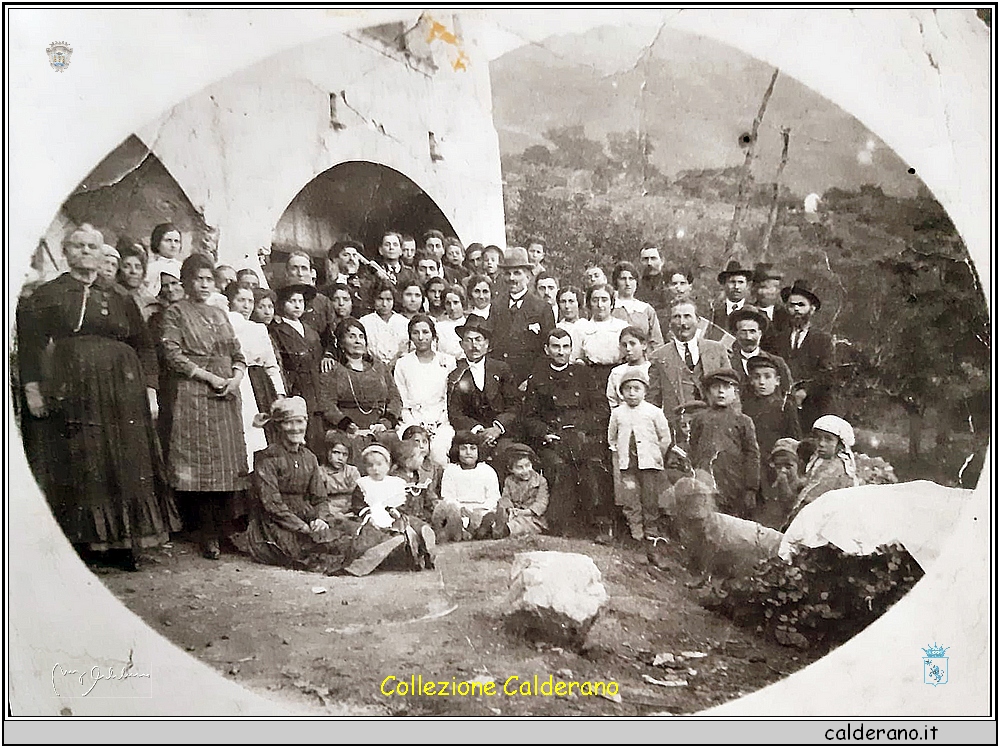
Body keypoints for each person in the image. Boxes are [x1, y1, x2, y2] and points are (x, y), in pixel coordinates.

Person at [17, 224, 179, 571]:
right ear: (66, 252)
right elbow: (30, 347)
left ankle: (125, 543)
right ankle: (86, 545)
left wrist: (150, 390)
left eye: (93, 246)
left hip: (124, 393)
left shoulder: (120, 296)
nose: (86, 251)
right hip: (75, 390)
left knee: (126, 462)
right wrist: (33, 389)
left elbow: (144, 344)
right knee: (86, 461)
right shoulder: (48, 295)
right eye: (79, 246)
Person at [161, 252, 250, 559]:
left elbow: (238, 354)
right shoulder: (175, 312)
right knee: (201, 463)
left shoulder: (221, 314)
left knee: (226, 461)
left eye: (209, 279)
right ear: (185, 282)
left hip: (227, 392)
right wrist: (209, 376)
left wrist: (236, 378)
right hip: (195, 390)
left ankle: (226, 531)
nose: (203, 284)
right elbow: (172, 354)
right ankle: (205, 533)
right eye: (197, 279)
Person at [246, 396, 355, 574]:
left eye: (299, 421)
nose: (295, 428)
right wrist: (302, 526)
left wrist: (320, 519)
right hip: (276, 522)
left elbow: (319, 498)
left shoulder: (309, 457)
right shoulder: (267, 457)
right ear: (278, 426)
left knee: (348, 535)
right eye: (288, 423)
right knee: (304, 549)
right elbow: (272, 505)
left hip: (307, 515)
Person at [522, 328, 612, 538]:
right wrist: (544, 433)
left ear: (571, 349)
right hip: (553, 438)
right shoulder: (538, 379)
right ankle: (559, 523)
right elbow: (528, 417)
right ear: (547, 349)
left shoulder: (584, 374)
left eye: (565, 347)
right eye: (555, 347)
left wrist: (582, 427)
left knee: (592, 465)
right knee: (559, 467)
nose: (561, 352)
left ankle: (597, 523)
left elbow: (601, 408)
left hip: (582, 435)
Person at [318, 318, 402, 461]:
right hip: (347, 430)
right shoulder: (334, 369)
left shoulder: (379, 367)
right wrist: (346, 424)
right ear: (341, 342)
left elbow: (395, 398)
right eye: (352, 336)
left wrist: (385, 423)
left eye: (361, 336)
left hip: (379, 428)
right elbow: (326, 403)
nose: (358, 341)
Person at [607, 366, 672, 550]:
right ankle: (636, 531)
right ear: (621, 392)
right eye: (627, 389)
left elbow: (665, 437)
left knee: (650, 497)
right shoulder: (618, 413)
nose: (632, 393)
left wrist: (657, 454)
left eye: (637, 389)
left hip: (649, 463)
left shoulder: (653, 412)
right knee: (630, 497)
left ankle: (651, 530)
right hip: (628, 464)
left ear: (645, 390)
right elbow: (612, 437)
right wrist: (619, 454)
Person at [347, 444, 435, 575]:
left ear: (387, 466)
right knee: (386, 531)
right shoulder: (364, 484)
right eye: (370, 465)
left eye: (379, 464)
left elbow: (402, 502)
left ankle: (424, 536)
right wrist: (370, 515)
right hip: (374, 516)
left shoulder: (395, 483)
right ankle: (410, 545)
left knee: (410, 521)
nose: (375, 469)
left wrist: (396, 511)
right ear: (365, 468)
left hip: (395, 515)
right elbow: (358, 505)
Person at [226, 281, 287, 466]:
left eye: (250, 301)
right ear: (230, 302)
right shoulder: (225, 326)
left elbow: (271, 365)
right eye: (240, 300)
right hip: (236, 380)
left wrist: (279, 394)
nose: (246, 306)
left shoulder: (258, 329)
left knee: (262, 435)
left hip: (259, 385)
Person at [688, 368, 760, 519]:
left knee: (733, 520)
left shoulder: (743, 421)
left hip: (734, 481)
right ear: (707, 392)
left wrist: (751, 488)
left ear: (735, 393)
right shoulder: (700, 419)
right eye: (715, 387)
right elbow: (693, 449)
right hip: (706, 478)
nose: (721, 392)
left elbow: (752, 454)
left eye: (727, 387)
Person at [649, 300, 731, 431]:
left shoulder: (717, 349)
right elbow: (652, 401)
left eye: (687, 316)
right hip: (677, 428)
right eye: (676, 317)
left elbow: (731, 391)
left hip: (716, 425)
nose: (682, 323)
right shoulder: (658, 357)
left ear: (698, 320)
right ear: (670, 323)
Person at [446, 314, 520, 460]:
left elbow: (514, 405)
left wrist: (497, 428)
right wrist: (478, 430)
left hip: (501, 433)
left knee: (507, 454)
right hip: (471, 435)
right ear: (461, 345)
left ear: (487, 343)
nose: (474, 346)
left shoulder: (501, 369)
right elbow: (455, 412)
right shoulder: (456, 374)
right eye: (469, 340)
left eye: (479, 340)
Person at [771, 280, 836, 432]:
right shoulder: (778, 339)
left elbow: (827, 374)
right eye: (792, 305)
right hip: (782, 406)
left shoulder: (823, 340)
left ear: (812, 309)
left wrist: (805, 391)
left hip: (813, 407)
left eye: (801, 305)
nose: (796, 309)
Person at [268, 283, 326, 455]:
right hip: (296, 389)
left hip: (314, 391)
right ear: (282, 304)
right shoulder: (277, 329)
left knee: (317, 440)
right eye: (292, 301)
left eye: (300, 301)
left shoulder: (311, 332)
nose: (297, 305)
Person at [393, 314, 457, 466]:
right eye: (415, 333)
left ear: (433, 335)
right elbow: (401, 399)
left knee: (438, 452)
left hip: (442, 421)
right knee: (413, 450)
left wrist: (438, 423)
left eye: (425, 332)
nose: (421, 337)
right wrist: (415, 425)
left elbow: (451, 398)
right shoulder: (403, 364)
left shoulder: (448, 361)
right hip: (412, 419)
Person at [489, 247, 556, 385]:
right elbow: (492, 344)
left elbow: (549, 349)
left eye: (517, 273)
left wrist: (533, 379)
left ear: (528, 276)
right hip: (501, 379)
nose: (511, 278)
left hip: (529, 380)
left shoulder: (542, 307)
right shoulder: (496, 305)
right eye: (507, 274)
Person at [742, 354, 802, 500]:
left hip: (775, 468)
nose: (762, 382)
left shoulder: (784, 406)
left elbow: (794, 441)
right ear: (751, 381)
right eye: (757, 377)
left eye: (767, 377)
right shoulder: (745, 407)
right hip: (750, 469)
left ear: (777, 381)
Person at [783, 415, 858, 529]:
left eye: (828, 439)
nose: (821, 443)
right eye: (818, 438)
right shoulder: (820, 460)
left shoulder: (837, 468)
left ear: (840, 444)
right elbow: (808, 483)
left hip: (826, 522)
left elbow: (810, 499)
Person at [432, 431, 502, 541]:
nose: (468, 452)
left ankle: (482, 529)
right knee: (451, 512)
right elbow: (448, 496)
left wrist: (481, 509)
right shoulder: (451, 470)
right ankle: (460, 531)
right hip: (461, 511)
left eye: (473, 448)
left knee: (489, 516)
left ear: (478, 450)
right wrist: (461, 508)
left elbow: (494, 497)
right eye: (464, 448)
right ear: (457, 451)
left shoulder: (487, 470)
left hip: (481, 510)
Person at [727, 306, 794, 394]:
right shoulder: (728, 361)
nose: (748, 337)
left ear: (760, 333)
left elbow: (787, 391)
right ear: (736, 334)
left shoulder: (777, 362)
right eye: (743, 332)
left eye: (752, 331)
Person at [284, 251, 338, 357]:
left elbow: (331, 336)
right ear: (287, 273)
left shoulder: (323, 302)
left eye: (304, 268)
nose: (300, 273)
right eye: (294, 268)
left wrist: (328, 355)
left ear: (310, 272)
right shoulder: (278, 299)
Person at [579, 283, 629, 384]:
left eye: (604, 300)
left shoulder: (622, 327)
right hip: (591, 378)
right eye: (595, 300)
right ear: (589, 303)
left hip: (619, 375)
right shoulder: (581, 327)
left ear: (611, 304)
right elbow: (575, 357)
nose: (599, 305)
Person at [497, 444, 549, 536]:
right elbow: (506, 497)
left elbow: (541, 503)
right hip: (513, 513)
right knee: (501, 510)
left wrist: (525, 512)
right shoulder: (509, 480)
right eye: (519, 467)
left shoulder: (540, 481)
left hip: (532, 517)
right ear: (511, 469)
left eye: (527, 465)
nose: (525, 470)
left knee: (523, 524)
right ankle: (493, 526)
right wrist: (510, 509)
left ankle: (505, 530)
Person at [611, 261, 664, 349]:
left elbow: (657, 342)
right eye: (623, 279)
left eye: (631, 279)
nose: (627, 283)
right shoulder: (610, 307)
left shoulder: (646, 309)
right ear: (616, 281)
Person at [606, 326, 661, 409]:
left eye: (632, 344)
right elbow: (612, 401)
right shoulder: (617, 372)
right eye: (624, 345)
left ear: (644, 345)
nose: (628, 348)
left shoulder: (653, 369)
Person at [359, 280, 409, 366]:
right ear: (373, 299)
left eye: (389, 299)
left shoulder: (404, 322)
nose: (384, 304)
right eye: (380, 299)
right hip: (372, 368)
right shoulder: (364, 322)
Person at [758, 438, 804, 531]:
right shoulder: (771, 487)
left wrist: (784, 485)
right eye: (778, 466)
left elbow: (789, 506)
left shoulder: (802, 487)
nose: (783, 470)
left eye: (788, 466)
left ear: (799, 464)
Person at [390, 439, 438, 522]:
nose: (422, 459)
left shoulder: (417, 476)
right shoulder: (396, 480)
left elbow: (427, 497)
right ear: (407, 461)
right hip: (403, 518)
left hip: (421, 516)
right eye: (419, 456)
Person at [752, 262, 792, 352]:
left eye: (772, 287)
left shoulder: (787, 315)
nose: (766, 292)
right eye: (762, 287)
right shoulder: (749, 313)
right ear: (754, 289)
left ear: (778, 290)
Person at [319, 430, 361, 516]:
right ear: (327, 452)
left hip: (350, 510)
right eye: (336, 453)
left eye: (344, 454)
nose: (340, 458)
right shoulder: (321, 472)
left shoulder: (352, 472)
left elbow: (358, 497)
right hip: (329, 510)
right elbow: (319, 500)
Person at [115, 241, 157, 320]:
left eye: (138, 267)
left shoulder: (150, 302)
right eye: (126, 266)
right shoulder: (112, 297)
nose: (133, 271)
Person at [142, 223, 183, 299]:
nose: (173, 245)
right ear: (157, 242)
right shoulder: (150, 268)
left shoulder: (182, 267)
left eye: (176, 241)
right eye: (168, 240)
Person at [710, 260, 752, 330]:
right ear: (724, 284)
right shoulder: (713, 312)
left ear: (747, 285)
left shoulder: (753, 312)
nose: (736, 287)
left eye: (740, 282)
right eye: (732, 282)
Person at [555, 285, 589, 363]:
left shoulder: (587, 326)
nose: (567, 306)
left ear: (578, 303)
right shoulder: (557, 327)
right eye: (563, 302)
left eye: (571, 301)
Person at [435, 284, 467, 358]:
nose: (452, 308)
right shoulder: (438, 327)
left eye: (456, 302)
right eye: (448, 304)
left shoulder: (469, 325)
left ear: (463, 303)